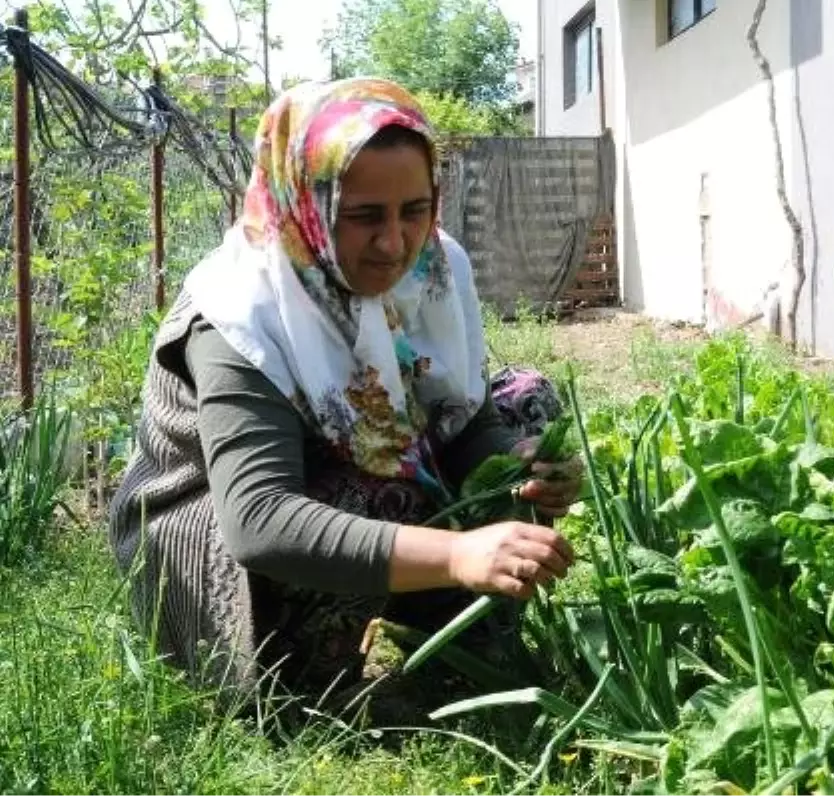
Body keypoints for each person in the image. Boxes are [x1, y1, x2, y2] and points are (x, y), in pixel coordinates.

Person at [106, 77, 582, 717]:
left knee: (527, 402)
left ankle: (462, 635)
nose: (395, 244)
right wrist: (459, 552)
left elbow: (462, 419)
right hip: (212, 543)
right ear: (307, 204)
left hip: (357, 495)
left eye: (415, 210)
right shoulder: (245, 311)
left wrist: (522, 474)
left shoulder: (434, 267)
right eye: (363, 217)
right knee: (374, 482)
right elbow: (261, 521)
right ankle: (306, 687)